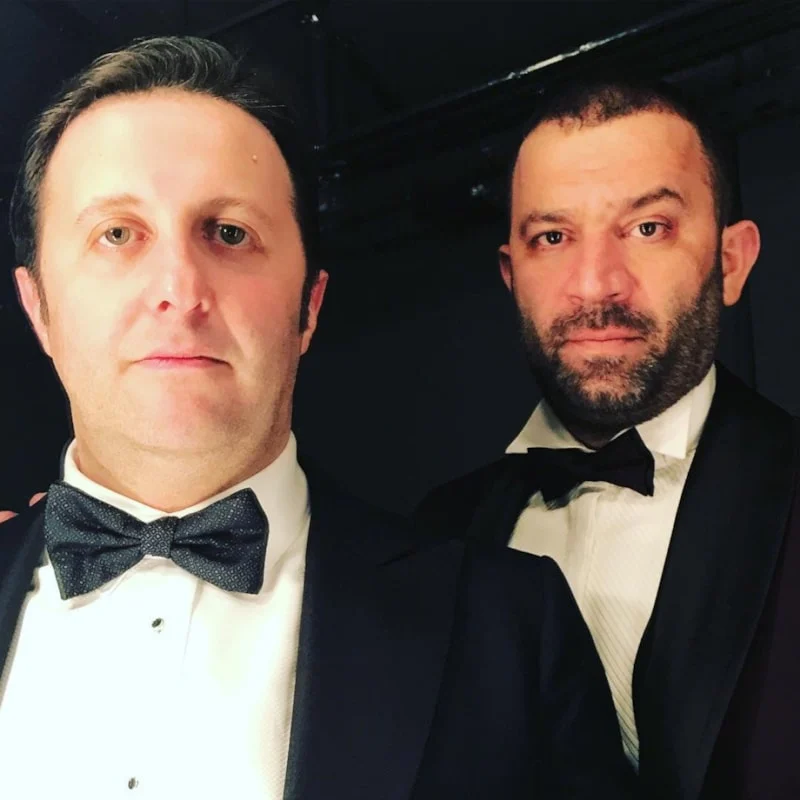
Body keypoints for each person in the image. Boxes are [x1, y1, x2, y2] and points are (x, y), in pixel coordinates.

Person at [0, 36, 634, 799]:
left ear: (309, 306)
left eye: (229, 232)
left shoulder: (509, 625)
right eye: (116, 234)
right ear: (38, 306)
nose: (178, 290)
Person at [416, 77, 800, 800]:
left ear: (731, 262)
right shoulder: (438, 535)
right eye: (552, 237)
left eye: (648, 228)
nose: (595, 286)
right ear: (512, 275)